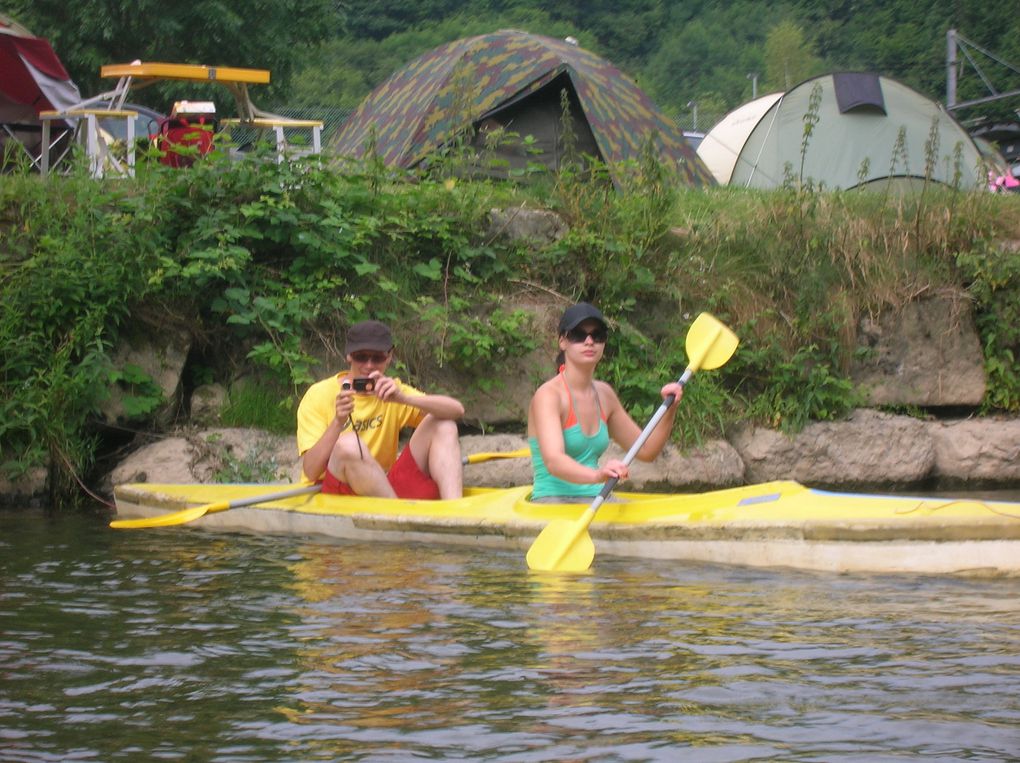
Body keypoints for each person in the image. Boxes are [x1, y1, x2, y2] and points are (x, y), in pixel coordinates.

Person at [527, 302, 684, 502]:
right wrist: (597, 476)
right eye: (578, 335)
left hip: (599, 498)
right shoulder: (548, 396)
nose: (589, 341)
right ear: (563, 341)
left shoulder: (604, 394)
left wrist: (670, 407)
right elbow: (554, 461)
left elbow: (646, 451)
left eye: (597, 335)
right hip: (552, 501)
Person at [297, 319, 465, 499]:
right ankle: (396, 515)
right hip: (335, 490)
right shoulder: (319, 394)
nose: (369, 365)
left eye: (377, 357)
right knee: (348, 444)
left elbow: (457, 411)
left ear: (389, 356)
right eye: (361, 357)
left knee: (444, 425)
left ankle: (454, 512)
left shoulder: (392, 391)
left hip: (382, 487)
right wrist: (338, 422)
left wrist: (403, 398)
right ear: (349, 356)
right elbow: (311, 471)